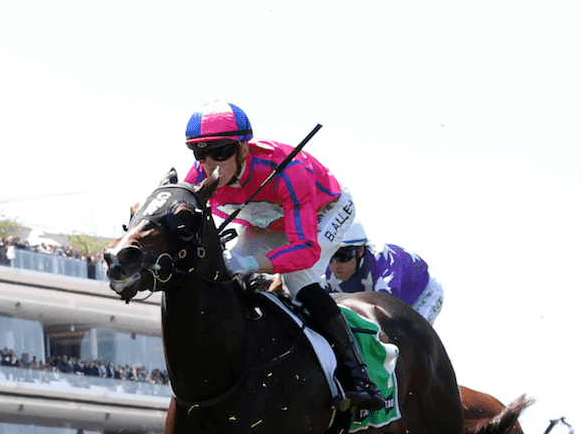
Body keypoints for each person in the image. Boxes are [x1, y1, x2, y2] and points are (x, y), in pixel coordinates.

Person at [182, 101, 386, 412]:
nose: (210, 164)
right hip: (266, 218)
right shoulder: (197, 176)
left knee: (298, 278)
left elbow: (305, 250)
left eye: (221, 151)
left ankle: (358, 374)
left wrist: (250, 264)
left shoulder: (290, 171)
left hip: (325, 212)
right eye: (200, 152)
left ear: (243, 150)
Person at [323, 221, 444, 323]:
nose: (334, 265)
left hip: (422, 294)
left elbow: (387, 314)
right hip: (377, 296)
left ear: (360, 251)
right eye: (328, 256)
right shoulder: (326, 275)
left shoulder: (385, 267)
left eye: (342, 256)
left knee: (406, 335)